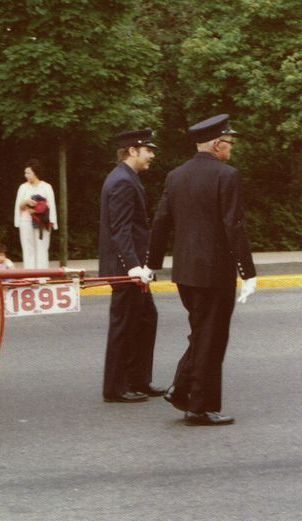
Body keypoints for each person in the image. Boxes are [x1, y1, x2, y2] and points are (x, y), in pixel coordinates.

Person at [147, 114, 257, 426]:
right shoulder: (227, 175)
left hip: (185, 273)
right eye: (230, 143)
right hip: (215, 273)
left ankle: (181, 389)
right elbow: (233, 225)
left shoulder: (175, 176)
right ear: (218, 144)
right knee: (213, 336)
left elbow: (160, 223)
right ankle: (200, 407)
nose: (231, 149)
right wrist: (247, 271)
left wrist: (151, 264)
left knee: (201, 332)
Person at [99, 129, 163, 403]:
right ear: (133, 151)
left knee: (146, 319)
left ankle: (138, 380)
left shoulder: (126, 178)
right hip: (126, 269)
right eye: (148, 150)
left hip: (132, 267)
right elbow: (121, 230)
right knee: (124, 325)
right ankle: (115, 388)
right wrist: (134, 267)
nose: (152, 155)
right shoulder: (123, 181)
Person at [14, 159, 57, 269]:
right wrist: (26, 202)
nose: (26, 175)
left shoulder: (46, 187)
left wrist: (51, 222)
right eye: (25, 173)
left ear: (35, 172)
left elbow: (51, 205)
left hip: (42, 221)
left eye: (28, 173)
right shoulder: (23, 187)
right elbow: (19, 206)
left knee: (42, 247)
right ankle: (29, 276)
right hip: (26, 220)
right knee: (28, 248)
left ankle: (42, 277)